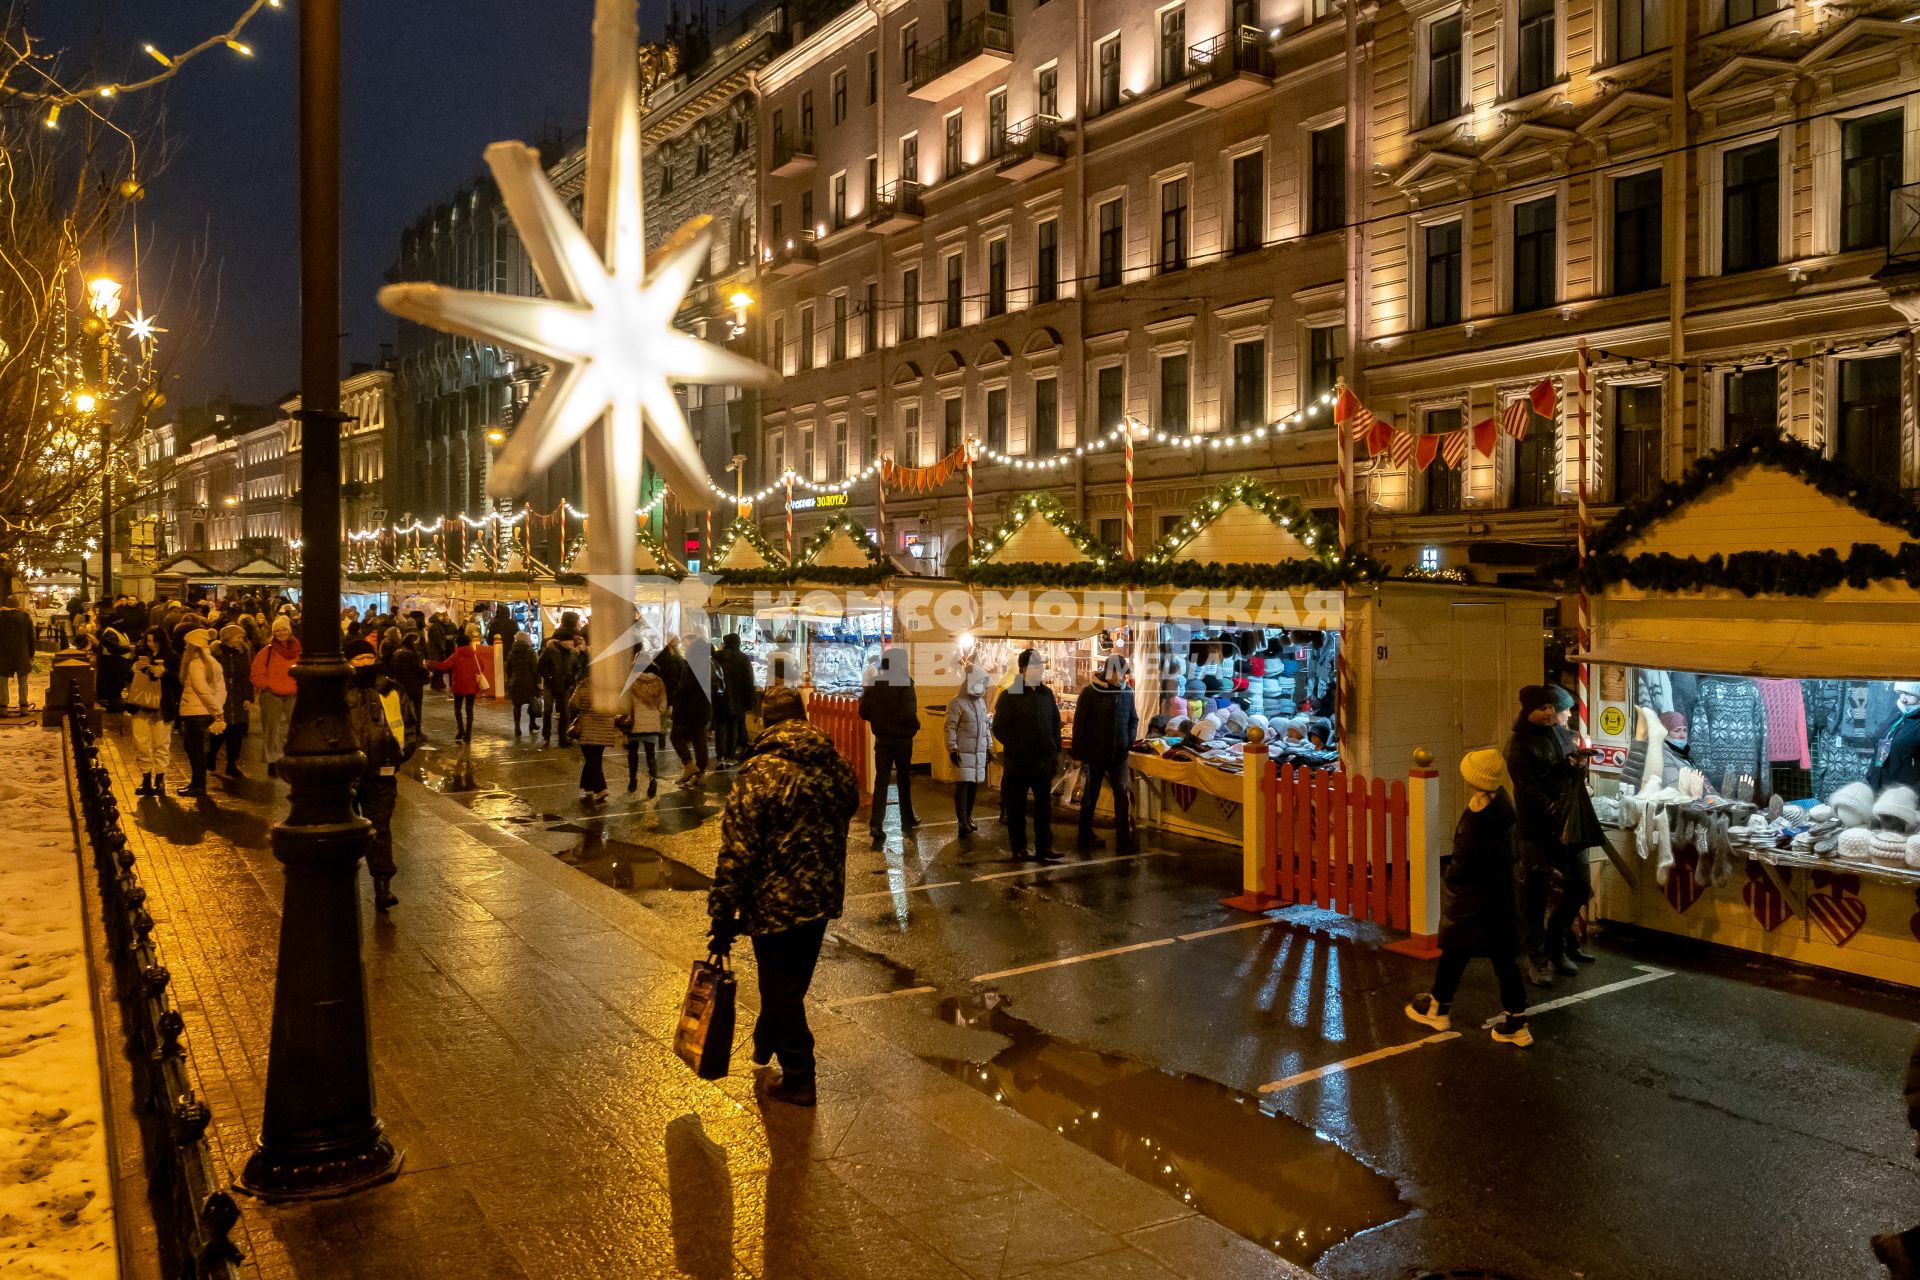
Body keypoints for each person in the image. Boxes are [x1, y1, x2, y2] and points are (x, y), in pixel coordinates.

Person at [706, 685, 860, 1107]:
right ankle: (765, 1038)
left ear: (765, 719)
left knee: (782, 989)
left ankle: (799, 1076)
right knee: (790, 985)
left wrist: (721, 915)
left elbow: (737, 848)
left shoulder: (760, 771)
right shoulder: (836, 764)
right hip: (820, 897)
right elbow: (850, 807)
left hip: (772, 900)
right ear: (803, 715)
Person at [1403, 749, 1534, 1048]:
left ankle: (1439, 1008)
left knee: (1455, 948)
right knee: (1502, 958)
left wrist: (1453, 880)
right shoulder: (1501, 806)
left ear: (1475, 779)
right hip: (1501, 898)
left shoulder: (1479, 820)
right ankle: (1515, 1020)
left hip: (1475, 898)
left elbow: (1464, 864)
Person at [1506, 683, 1591, 987]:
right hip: (1537, 830)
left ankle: (1558, 943)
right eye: (1543, 709)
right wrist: (1554, 808)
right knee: (1536, 895)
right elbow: (1528, 790)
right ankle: (1538, 958)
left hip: (1568, 824)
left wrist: (1578, 766)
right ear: (1529, 711)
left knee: (1580, 886)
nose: (1549, 714)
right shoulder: (1519, 746)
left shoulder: (1560, 733)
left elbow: (1567, 775)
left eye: (1551, 709)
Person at [345, 641, 419, 912]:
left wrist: (401, 753)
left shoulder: (391, 690)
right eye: (359, 658)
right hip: (348, 775)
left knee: (381, 830)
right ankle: (345, 885)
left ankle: (383, 887)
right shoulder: (340, 688)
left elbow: (409, 725)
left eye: (368, 656)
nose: (365, 662)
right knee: (347, 834)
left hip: (382, 772)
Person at [992, 648, 1063, 862]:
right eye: (1036, 666)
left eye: (1041, 666)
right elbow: (999, 727)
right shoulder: (1009, 695)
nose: (1041, 669)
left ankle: (1044, 847)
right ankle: (1019, 847)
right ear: (1023, 669)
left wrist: (1055, 749)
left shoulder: (1046, 694)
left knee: (1043, 808)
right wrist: (1016, 745)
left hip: (1042, 761)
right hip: (1019, 762)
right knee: (1017, 809)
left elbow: (1055, 723)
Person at [1072, 654, 1140, 854]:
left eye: (1124, 675)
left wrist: (1128, 740)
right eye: (1119, 674)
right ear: (1109, 671)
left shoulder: (1127, 692)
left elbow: (1133, 719)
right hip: (1094, 753)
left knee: (1121, 794)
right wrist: (1077, 754)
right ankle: (1085, 834)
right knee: (1091, 795)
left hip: (1119, 753)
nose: (1122, 679)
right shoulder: (1090, 692)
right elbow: (1080, 724)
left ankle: (1123, 837)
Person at [858, 647, 920, 844]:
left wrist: (879, 720)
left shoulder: (875, 683)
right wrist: (915, 725)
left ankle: (876, 824)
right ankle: (907, 820)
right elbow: (909, 712)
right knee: (903, 779)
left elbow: (863, 711)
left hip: (882, 739)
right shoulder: (905, 683)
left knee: (881, 781)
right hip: (902, 739)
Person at [176, 627, 227, 798]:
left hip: (194, 713)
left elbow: (202, 689)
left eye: (186, 645)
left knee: (194, 749)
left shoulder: (195, 663)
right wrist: (217, 709)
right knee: (194, 748)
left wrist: (217, 711)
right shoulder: (213, 662)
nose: (184, 649)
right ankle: (197, 783)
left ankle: (198, 786)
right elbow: (221, 689)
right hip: (205, 713)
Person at [944, 665, 992, 836]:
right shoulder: (957, 703)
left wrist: (989, 747)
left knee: (972, 785)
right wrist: (952, 748)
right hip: (963, 751)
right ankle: (962, 820)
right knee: (963, 785)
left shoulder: (980, 703)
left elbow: (985, 726)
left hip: (977, 751)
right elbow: (950, 727)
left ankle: (968, 817)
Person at [251, 615, 301, 772]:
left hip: (293, 693)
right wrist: (266, 685)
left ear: (290, 630)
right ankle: (272, 759)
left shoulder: (298, 650)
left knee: (295, 726)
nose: (281, 633)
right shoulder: (267, 651)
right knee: (271, 728)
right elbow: (257, 671)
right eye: (277, 630)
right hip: (271, 694)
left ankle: (293, 755)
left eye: (284, 629)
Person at [126, 629, 171, 795]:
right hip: (140, 705)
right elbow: (126, 678)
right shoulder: (140, 655)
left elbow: (178, 681)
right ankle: (145, 779)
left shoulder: (171, 656)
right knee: (141, 743)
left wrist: (164, 673)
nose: (151, 644)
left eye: (154, 641)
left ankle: (160, 780)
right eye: (148, 641)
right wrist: (134, 669)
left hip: (162, 707)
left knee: (161, 743)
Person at [664, 636, 713, 786]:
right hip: (703, 709)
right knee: (700, 740)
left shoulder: (692, 665)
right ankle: (701, 772)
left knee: (676, 737)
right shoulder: (709, 664)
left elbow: (686, 687)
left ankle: (689, 766)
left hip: (687, 709)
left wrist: (675, 694)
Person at [570, 678, 625, 803]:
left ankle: (601, 789)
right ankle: (587, 785)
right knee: (595, 758)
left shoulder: (583, 685)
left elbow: (573, 704)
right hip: (604, 727)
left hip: (588, 727)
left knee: (591, 759)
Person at [214, 625, 254, 778]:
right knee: (219, 730)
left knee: (237, 731)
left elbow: (246, 676)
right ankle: (211, 755)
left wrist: (248, 697)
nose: (241, 640)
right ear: (228, 637)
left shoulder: (242, 653)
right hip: (221, 696)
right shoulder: (216, 654)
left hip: (238, 696)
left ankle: (232, 764)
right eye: (238, 637)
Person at [540, 614, 583, 747]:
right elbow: (540, 667)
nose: (572, 643)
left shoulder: (573, 653)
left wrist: (572, 679)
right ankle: (546, 733)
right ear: (563, 641)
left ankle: (562, 738)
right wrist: (549, 677)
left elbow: (577, 667)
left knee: (564, 712)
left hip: (565, 685)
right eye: (570, 641)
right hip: (550, 685)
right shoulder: (550, 651)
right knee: (547, 710)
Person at [626, 666, 668, 796]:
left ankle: (633, 779)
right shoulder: (659, 682)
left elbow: (624, 703)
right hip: (652, 723)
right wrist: (655, 712)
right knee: (651, 753)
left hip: (635, 723)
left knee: (633, 752)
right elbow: (663, 706)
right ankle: (653, 780)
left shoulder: (631, 680)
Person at [435, 631, 484, 743]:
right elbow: (482, 667)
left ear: (458, 644)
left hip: (459, 686)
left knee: (458, 708)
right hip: (471, 685)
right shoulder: (475, 655)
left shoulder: (455, 655)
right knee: (469, 709)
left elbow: (443, 666)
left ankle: (461, 729)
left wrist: (430, 663)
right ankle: (468, 733)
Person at [714, 633, 756, 763]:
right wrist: (750, 700)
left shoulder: (717, 657)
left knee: (720, 726)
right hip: (737, 699)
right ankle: (729, 755)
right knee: (733, 726)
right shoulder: (743, 658)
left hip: (719, 698)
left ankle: (720, 755)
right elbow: (749, 680)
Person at [1871, 682, 1920, 792]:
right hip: (1880, 786)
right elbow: (1884, 745)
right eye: (1901, 693)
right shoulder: (1898, 714)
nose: (1903, 699)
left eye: (1909, 694)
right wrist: (1872, 776)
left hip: (1904, 795)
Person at [390, 631, 430, 734]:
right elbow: (417, 669)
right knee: (417, 708)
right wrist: (427, 672)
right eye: (416, 641)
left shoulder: (397, 652)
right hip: (414, 684)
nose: (417, 644)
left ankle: (405, 728)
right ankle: (417, 729)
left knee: (404, 707)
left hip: (402, 684)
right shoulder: (411, 654)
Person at [0, 594, 34, 712]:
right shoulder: (25, 617)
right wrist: (31, 654)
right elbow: (31, 637)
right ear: (17, 605)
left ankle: (3, 707)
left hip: (3, 654)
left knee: (2, 681)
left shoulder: (1, 617)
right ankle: (24, 706)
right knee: (23, 681)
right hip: (22, 653)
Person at [96, 611, 133, 713]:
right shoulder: (110, 633)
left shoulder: (119, 632)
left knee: (117, 686)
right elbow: (114, 649)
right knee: (113, 687)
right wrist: (129, 648)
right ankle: (114, 706)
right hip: (112, 666)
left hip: (119, 665)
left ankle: (115, 705)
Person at [506, 631, 541, 738]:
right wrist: (538, 681)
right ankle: (532, 723)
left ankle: (517, 727)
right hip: (528, 681)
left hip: (516, 681)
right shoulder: (530, 652)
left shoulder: (512, 653)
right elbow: (535, 668)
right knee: (532, 702)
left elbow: (508, 668)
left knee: (517, 706)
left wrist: (509, 680)